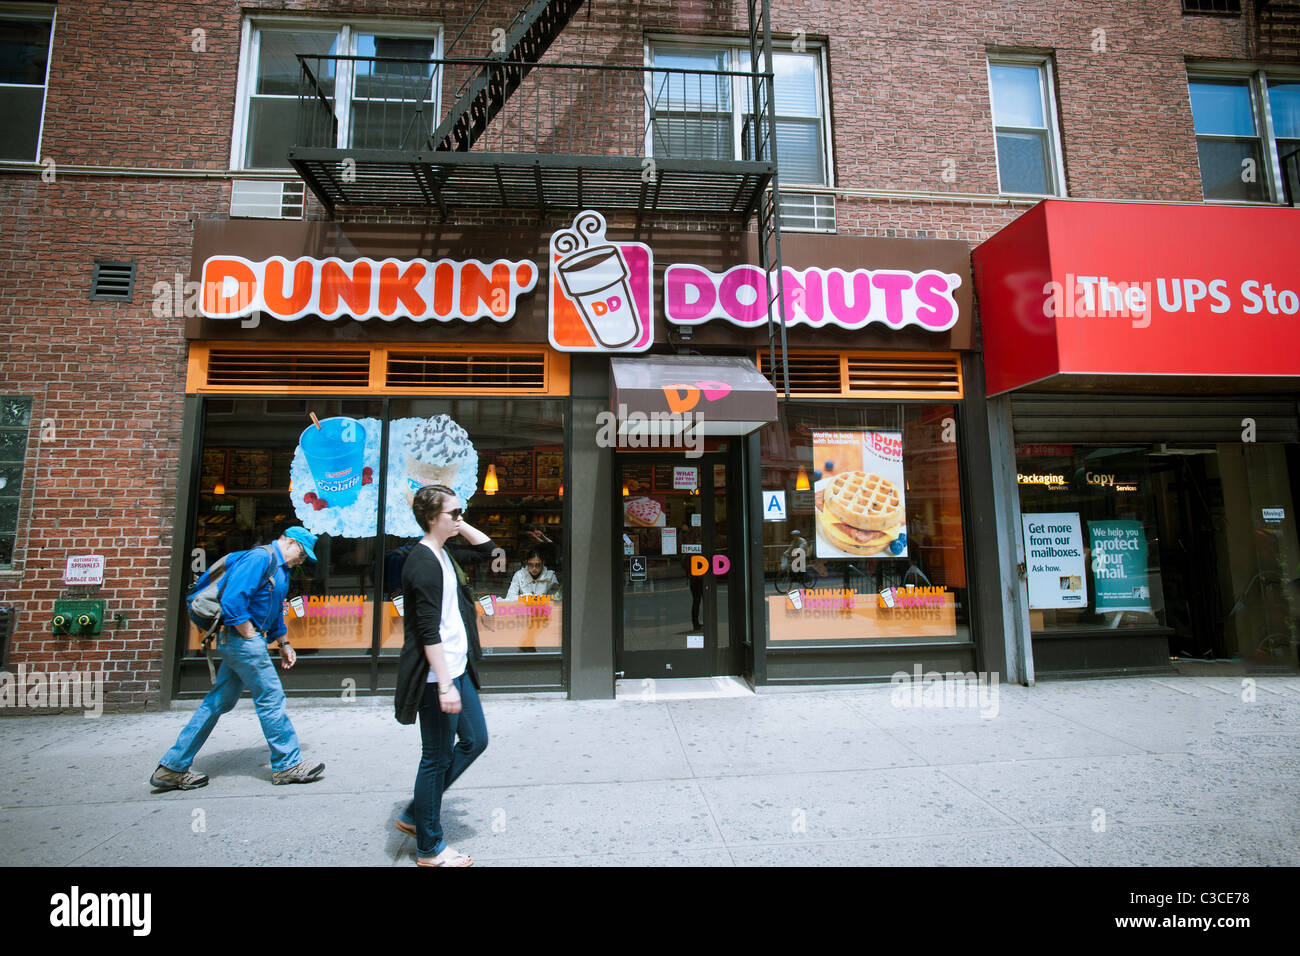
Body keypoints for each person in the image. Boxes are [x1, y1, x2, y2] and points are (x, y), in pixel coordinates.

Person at [149, 526, 326, 791]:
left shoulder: (281, 570)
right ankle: (287, 764)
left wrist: (284, 643)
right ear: (290, 542)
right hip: (243, 642)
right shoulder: (260, 559)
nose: (301, 561)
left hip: (245, 642)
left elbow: (275, 610)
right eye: (301, 554)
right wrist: (251, 636)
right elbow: (233, 601)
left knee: (218, 702)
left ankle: (172, 766)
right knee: (271, 697)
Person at [393, 484, 495, 867]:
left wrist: (459, 521)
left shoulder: (442, 551)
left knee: (475, 740)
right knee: (435, 758)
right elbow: (427, 630)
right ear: (432, 518)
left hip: (457, 668)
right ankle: (430, 848)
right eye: (453, 513)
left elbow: (490, 550)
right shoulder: (422, 561)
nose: (459, 517)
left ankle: (414, 813)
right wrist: (446, 684)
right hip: (438, 678)